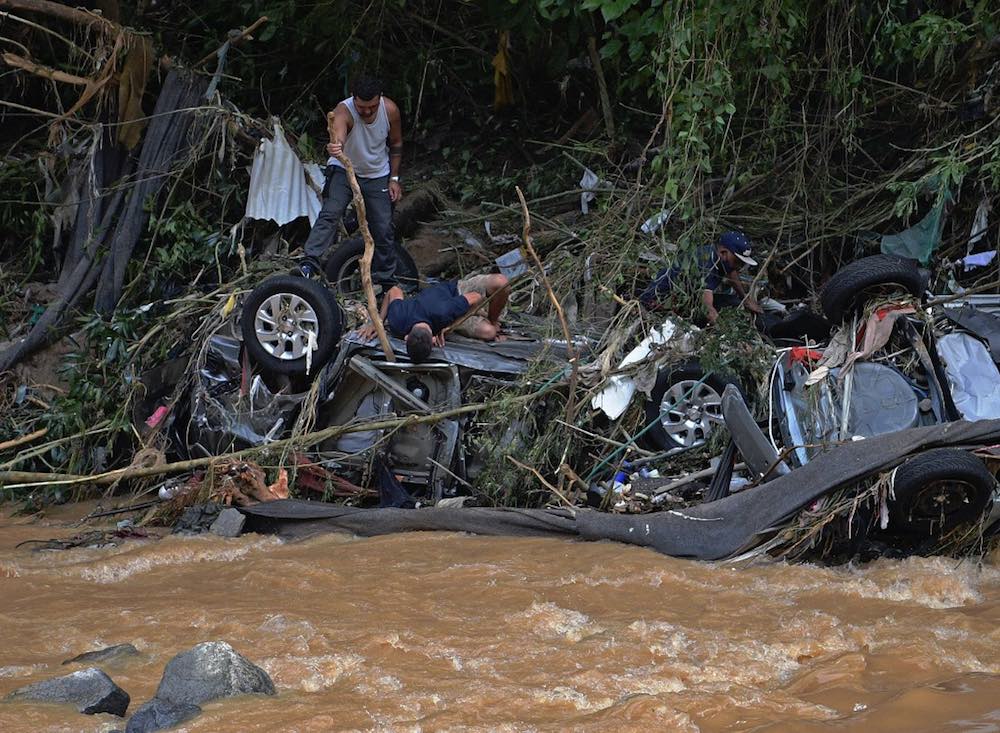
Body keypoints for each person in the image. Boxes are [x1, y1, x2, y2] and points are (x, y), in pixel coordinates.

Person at [297, 73, 404, 292]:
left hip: (377, 173)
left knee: (383, 227)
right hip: (343, 169)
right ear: (353, 98)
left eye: (372, 107)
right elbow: (339, 135)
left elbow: (396, 143)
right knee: (331, 212)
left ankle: (386, 279)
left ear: (380, 98)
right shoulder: (343, 111)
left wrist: (394, 179)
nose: (367, 112)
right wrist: (336, 147)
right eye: (362, 107)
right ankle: (309, 263)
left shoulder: (390, 110)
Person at [361, 273, 510, 362]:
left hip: (456, 292)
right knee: (489, 332)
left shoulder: (443, 312)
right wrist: (377, 322)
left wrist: (451, 326)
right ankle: (484, 317)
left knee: (501, 282)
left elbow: (476, 297)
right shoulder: (397, 320)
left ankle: (493, 319)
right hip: (448, 308)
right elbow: (394, 290)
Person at [639, 231, 763, 324]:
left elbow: (732, 273)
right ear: (723, 253)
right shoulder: (705, 264)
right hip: (660, 301)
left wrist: (745, 299)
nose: (739, 266)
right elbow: (707, 307)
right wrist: (723, 328)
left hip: (688, 297)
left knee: (732, 302)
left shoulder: (721, 259)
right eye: (737, 261)